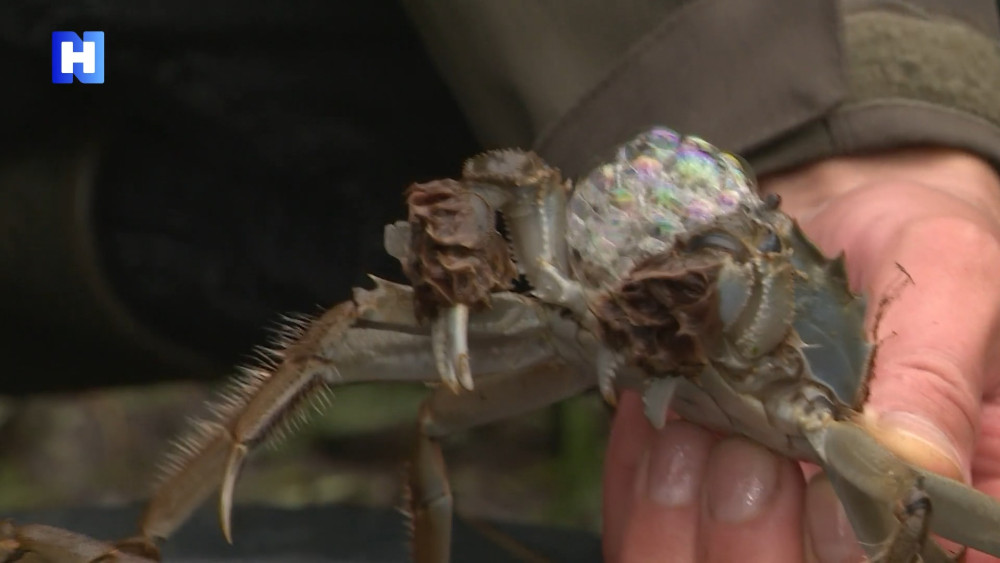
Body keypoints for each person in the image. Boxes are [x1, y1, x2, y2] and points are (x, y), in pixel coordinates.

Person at [400, 0, 1000, 560]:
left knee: (905, 510)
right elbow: (500, 176)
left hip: (820, 415)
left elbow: (914, 495)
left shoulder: (778, 293)